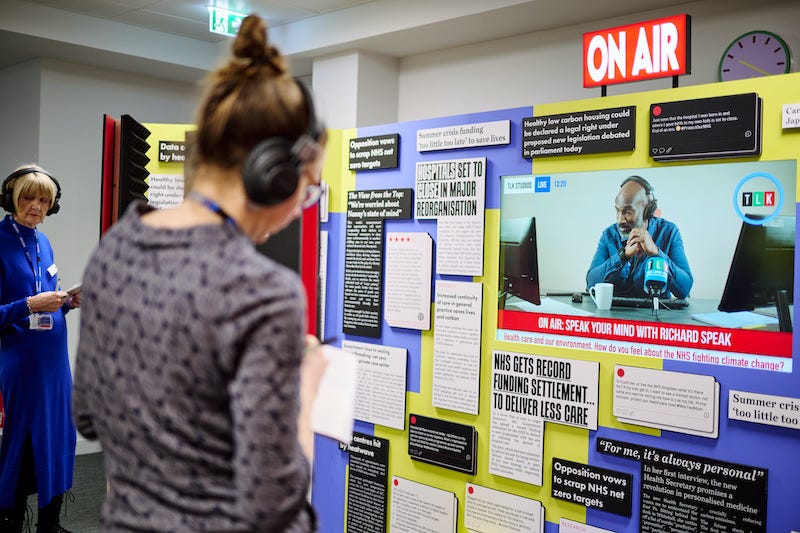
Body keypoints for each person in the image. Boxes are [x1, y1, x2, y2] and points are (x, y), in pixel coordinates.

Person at [72, 14, 329, 532]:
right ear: (275, 174)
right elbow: (272, 504)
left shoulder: (115, 249)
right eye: (309, 188)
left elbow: (88, 419)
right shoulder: (264, 292)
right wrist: (303, 395)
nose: (302, 203)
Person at [0, 165, 80, 533]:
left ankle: (50, 522)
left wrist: (65, 302)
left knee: (57, 434)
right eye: (29, 197)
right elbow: (21, 305)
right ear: (12, 199)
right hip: (21, 364)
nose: (37, 206)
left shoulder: (42, 241)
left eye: (44, 199)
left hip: (54, 363)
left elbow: (44, 294)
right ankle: (11, 519)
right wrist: (31, 305)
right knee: (23, 442)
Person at [586, 176, 693, 299]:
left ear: (647, 210)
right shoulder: (609, 235)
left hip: (655, 315)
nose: (620, 220)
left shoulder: (669, 232)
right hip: (616, 313)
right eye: (618, 211)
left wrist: (656, 253)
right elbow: (591, 283)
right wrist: (623, 256)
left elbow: (684, 289)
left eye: (627, 211)